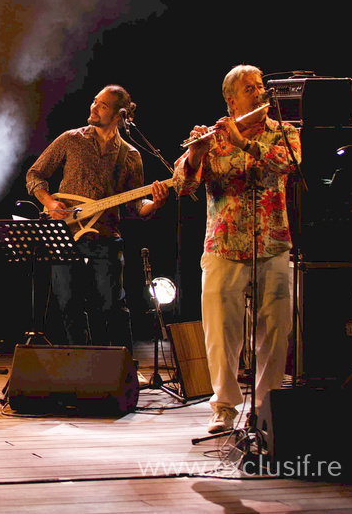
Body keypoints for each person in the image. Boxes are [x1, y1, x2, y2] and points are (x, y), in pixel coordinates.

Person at [174, 65, 300, 434]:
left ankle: (265, 410)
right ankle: (224, 407)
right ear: (232, 100)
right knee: (220, 333)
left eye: (261, 86)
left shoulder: (284, 132)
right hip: (224, 246)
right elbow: (182, 185)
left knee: (276, 333)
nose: (260, 93)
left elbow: (286, 166)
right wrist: (197, 153)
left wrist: (244, 142)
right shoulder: (212, 138)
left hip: (273, 244)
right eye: (251, 88)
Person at [26, 85, 168, 348]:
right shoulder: (71, 139)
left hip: (106, 238)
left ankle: (122, 367)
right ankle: (80, 368)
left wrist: (156, 204)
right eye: (94, 101)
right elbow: (34, 175)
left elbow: (135, 205)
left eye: (102, 106)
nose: (93, 107)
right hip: (66, 236)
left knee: (112, 306)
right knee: (68, 305)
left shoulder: (131, 155)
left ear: (118, 116)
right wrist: (50, 201)